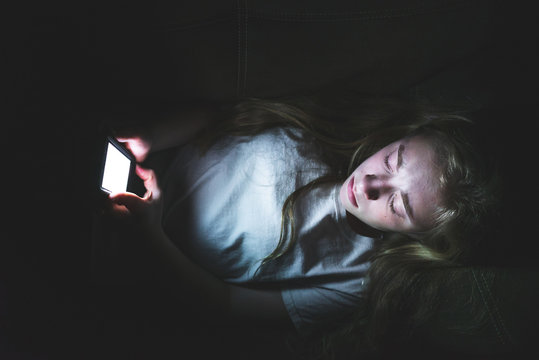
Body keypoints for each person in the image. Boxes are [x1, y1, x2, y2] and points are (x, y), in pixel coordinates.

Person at [103, 94, 500, 356]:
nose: (373, 184)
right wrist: (151, 137)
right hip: (147, 164)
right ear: (400, 137)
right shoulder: (328, 131)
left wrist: (152, 236)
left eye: (399, 205)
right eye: (393, 161)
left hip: (145, 256)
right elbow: (221, 118)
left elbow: (229, 305)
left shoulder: (355, 281)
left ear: (415, 238)